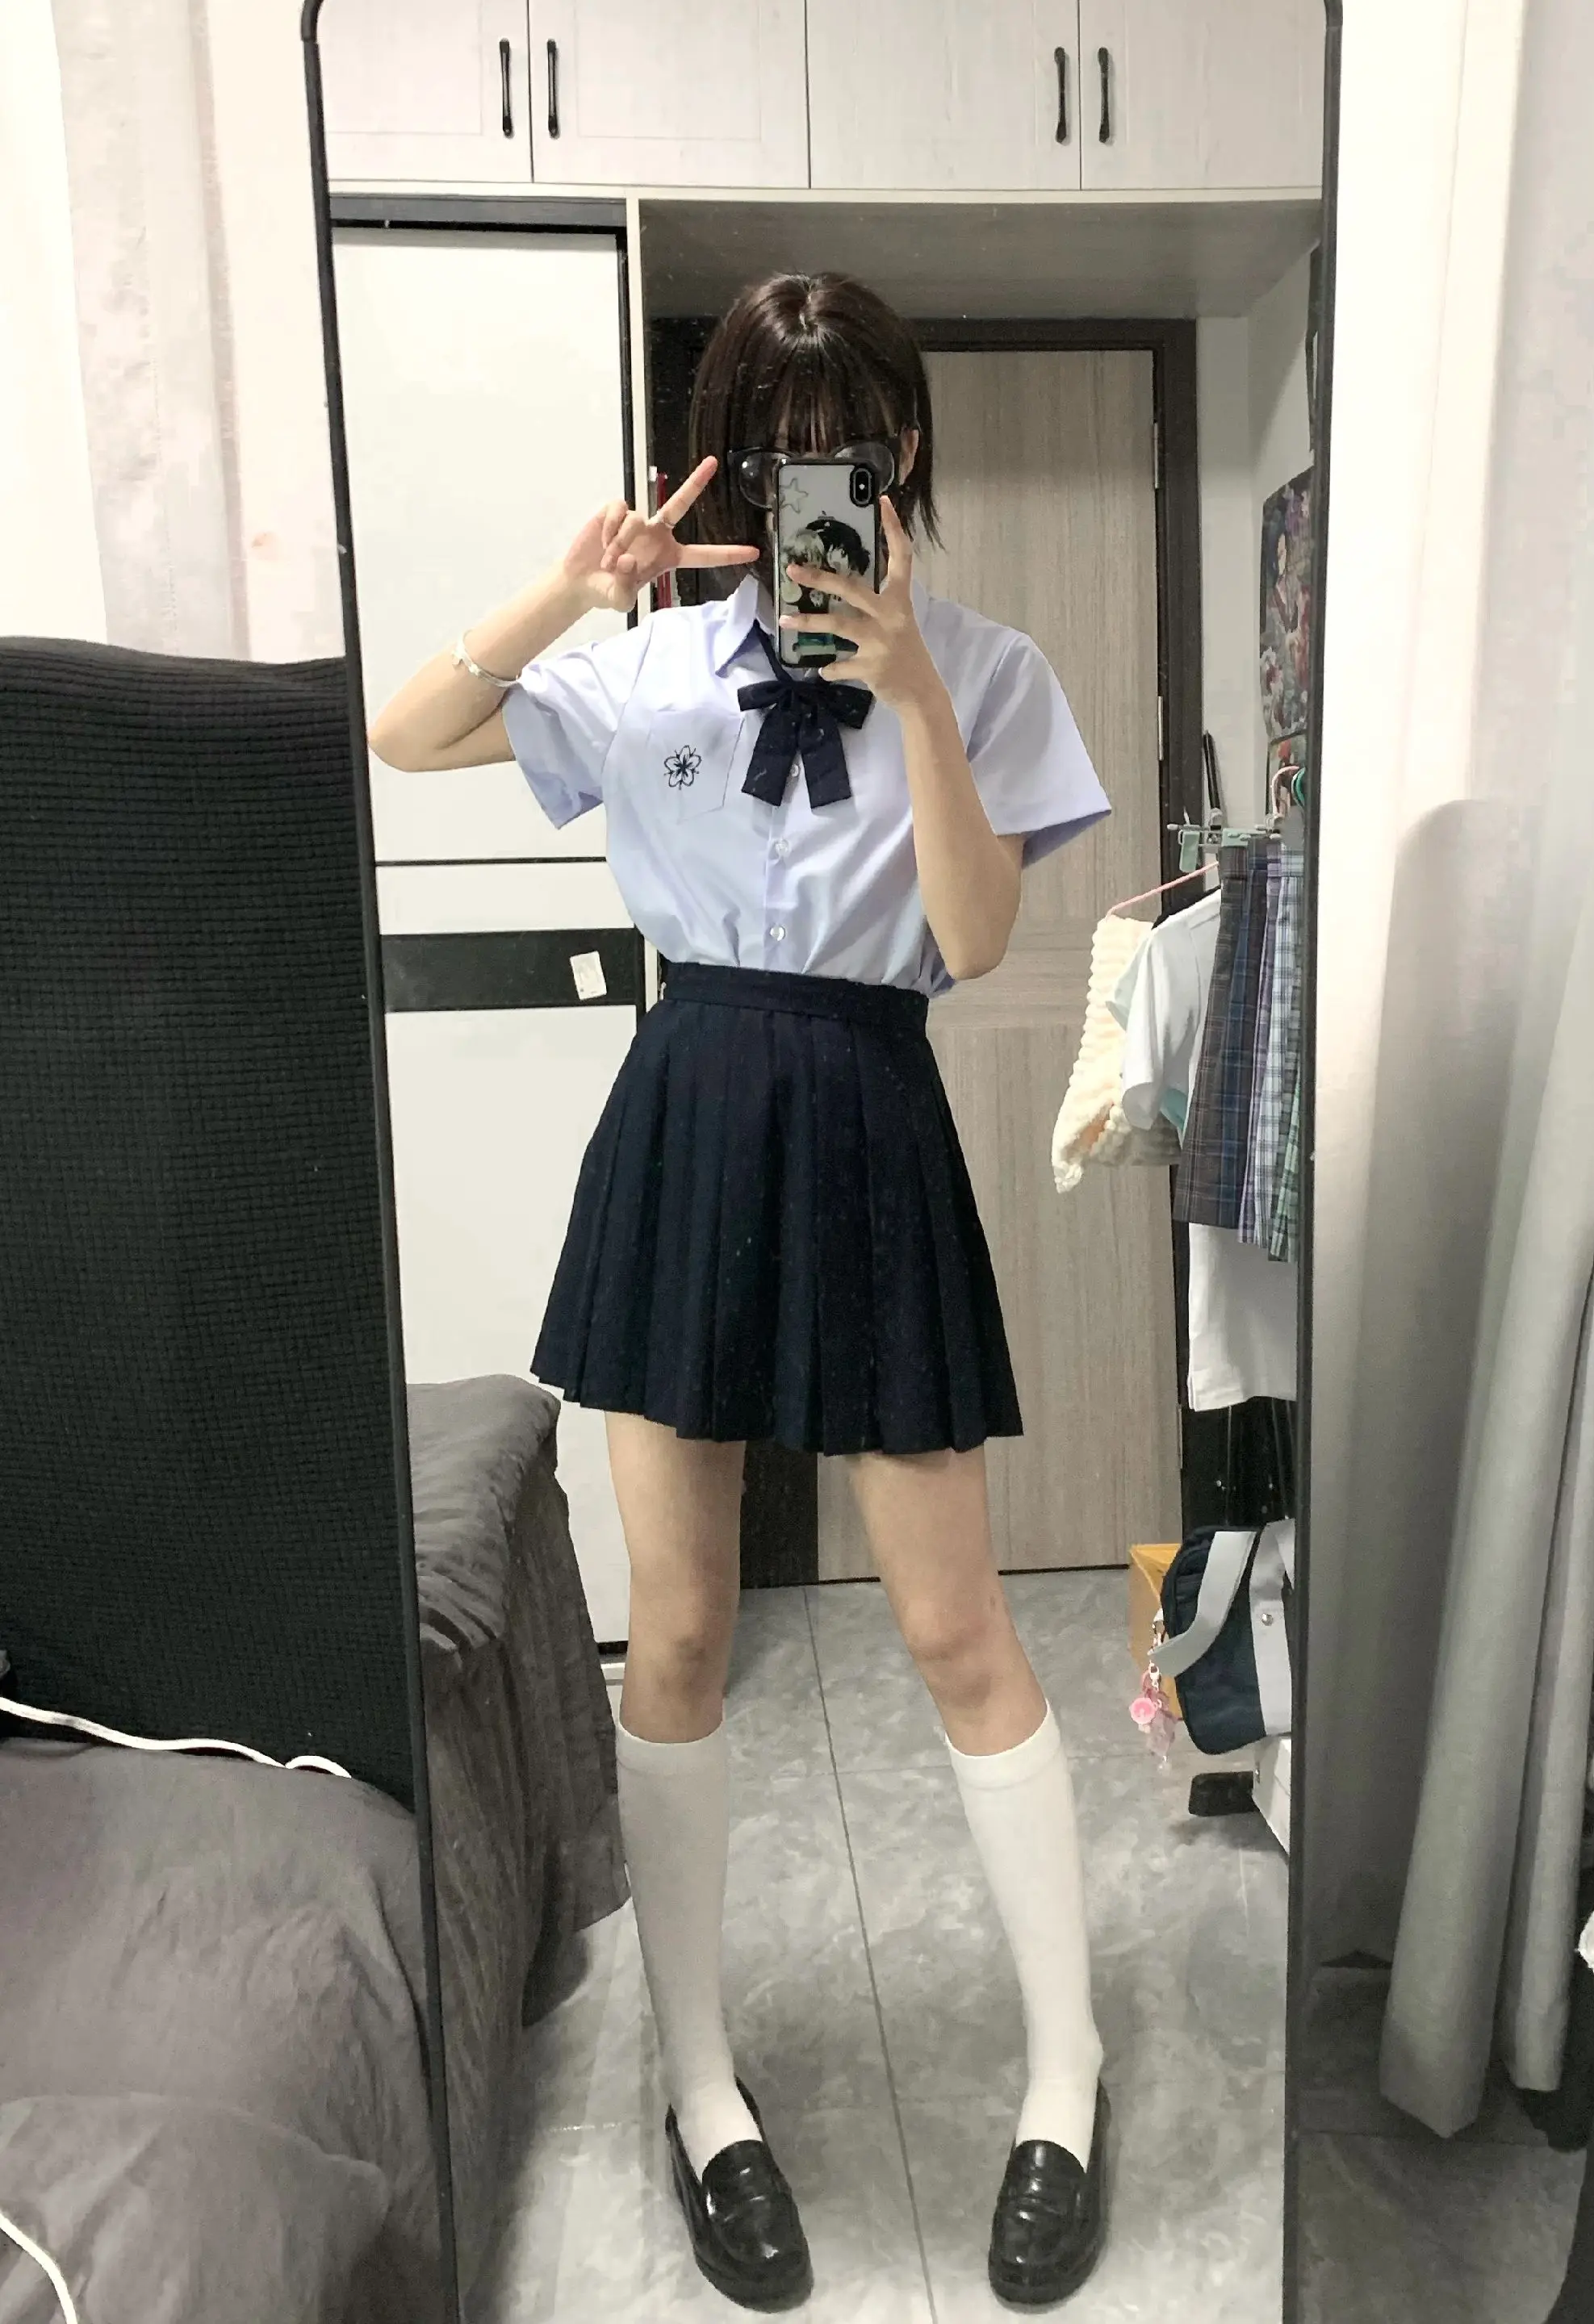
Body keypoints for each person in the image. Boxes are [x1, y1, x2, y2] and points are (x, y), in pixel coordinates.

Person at [370, 272, 1113, 2314]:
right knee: (681, 1631)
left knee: (955, 1628)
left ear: (903, 451)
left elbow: (974, 936)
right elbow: (404, 732)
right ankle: (702, 2089)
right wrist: (569, 585)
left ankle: (1066, 2069)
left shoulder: (987, 667)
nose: (812, 488)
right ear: (725, 469)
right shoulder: (650, 669)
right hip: (690, 1114)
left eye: (843, 448)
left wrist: (918, 695)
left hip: (872, 1114)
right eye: (771, 456)